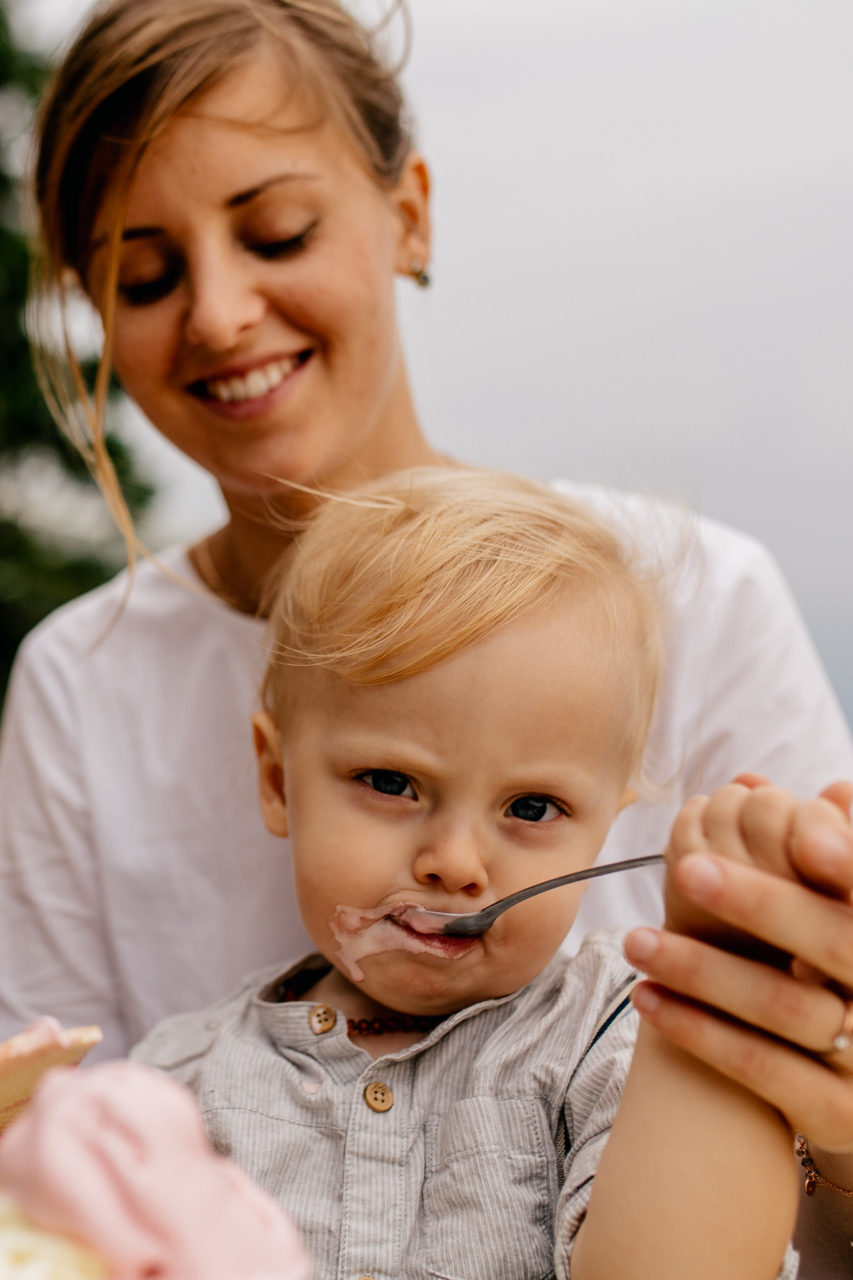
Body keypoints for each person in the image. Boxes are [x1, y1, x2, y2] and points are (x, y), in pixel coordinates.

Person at [0, 1, 852, 1266]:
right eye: (144, 274)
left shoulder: (690, 597)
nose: (221, 313)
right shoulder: (79, 682)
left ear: (407, 213)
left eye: (277, 230)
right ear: (273, 766)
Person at [132, 465, 822, 1279]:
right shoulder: (170, 1088)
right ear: (278, 781)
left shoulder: (616, 1039)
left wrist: (717, 961)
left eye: (531, 808)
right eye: (391, 784)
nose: (455, 865)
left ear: (606, 824)